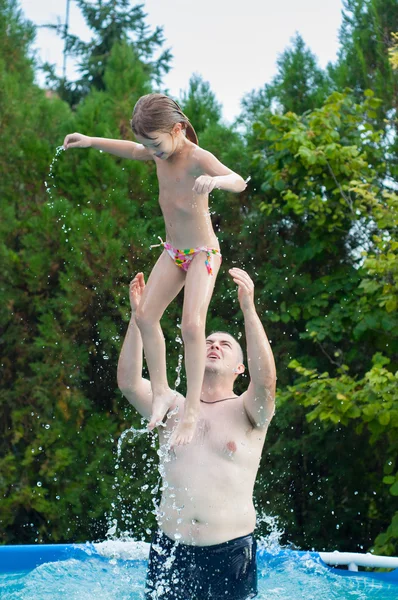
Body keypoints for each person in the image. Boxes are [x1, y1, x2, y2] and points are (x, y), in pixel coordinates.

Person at [63, 93, 247, 446]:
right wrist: (90, 142)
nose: (153, 151)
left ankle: (191, 409)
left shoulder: (196, 157)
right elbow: (132, 150)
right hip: (173, 252)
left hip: (203, 254)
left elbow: (238, 180)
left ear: (178, 129)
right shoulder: (155, 149)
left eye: (157, 144)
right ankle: (161, 391)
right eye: (149, 144)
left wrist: (217, 182)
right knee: (145, 316)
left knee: (192, 326)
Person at [117, 267, 276, 600]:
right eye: (207, 342)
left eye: (224, 345)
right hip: (170, 550)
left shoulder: (248, 411)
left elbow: (266, 381)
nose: (214, 346)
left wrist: (248, 308)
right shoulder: (171, 406)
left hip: (231, 554)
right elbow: (129, 383)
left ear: (239, 367)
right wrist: (139, 316)